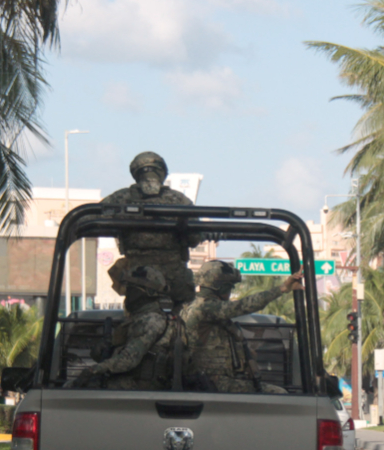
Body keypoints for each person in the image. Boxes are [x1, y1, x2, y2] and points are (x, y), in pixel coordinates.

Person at [182, 260, 303, 393]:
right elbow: (243, 306)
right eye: (229, 288)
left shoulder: (199, 307)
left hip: (214, 380)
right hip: (212, 382)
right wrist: (282, 289)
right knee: (279, 394)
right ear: (222, 288)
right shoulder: (204, 307)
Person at [101, 152, 200, 306]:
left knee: (135, 324)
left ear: (136, 172)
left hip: (139, 282)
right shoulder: (179, 200)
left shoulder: (120, 199)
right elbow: (194, 238)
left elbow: (92, 218)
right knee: (186, 324)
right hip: (175, 281)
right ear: (162, 171)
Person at [69, 261, 181, 390]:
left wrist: (94, 370)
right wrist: (102, 350)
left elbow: (128, 360)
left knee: (73, 388)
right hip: (129, 380)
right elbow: (114, 356)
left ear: (148, 292)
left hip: (141, 384)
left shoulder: (152, 321)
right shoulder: (136, 319)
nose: (127, 294)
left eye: (131, 289)